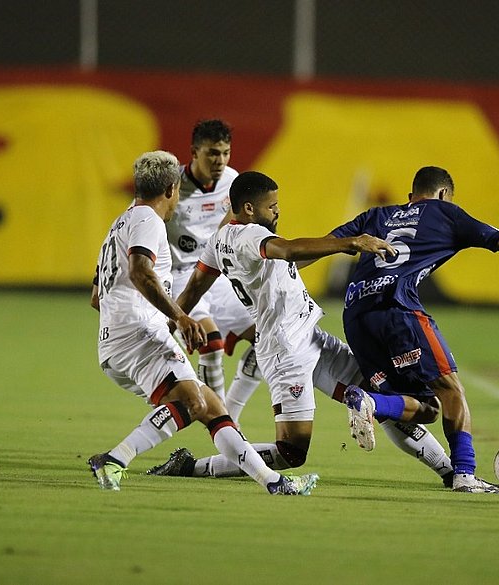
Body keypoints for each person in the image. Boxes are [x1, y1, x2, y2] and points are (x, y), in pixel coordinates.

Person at [148, 171, 457, 485]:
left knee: (379, 398)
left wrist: (168, 325)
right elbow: (289, 250)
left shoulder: (219, 240)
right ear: (249, 209)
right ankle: (192, 466)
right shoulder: (250, 235)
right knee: (291, 452)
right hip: (286, 353)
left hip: (310, 338)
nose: (278, 210)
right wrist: (350, 242)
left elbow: (195, 288)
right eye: (272, 206)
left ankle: (450, 471)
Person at [329, 166, 499, 493]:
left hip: (354, 315)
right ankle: (465, 475)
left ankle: (371, 402)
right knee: (452, 391)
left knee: (424, 408)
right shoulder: (445, 213)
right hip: (398, 309)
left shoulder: (378, 215)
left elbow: (325, 244)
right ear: (444, 195)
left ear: (412, 196)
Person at [87, 151, 317, 495]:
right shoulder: (148, 221)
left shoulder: (120, 223)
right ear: (171, 188)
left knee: (210, 406)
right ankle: (116, 458)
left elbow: (96, 297)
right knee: (194, 404)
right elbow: (139, 271)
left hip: (115, 338)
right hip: (139, 333)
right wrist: (178, 316)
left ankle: (273, 482)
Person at [166, 119, 262, 422]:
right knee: (211, 341)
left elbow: (234, 229)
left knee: (268, 338)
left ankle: (227, 415)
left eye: (225, 153)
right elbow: (139, 224)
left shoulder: (233, 182)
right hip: (182, 276)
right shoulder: (171, 187)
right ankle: (218, 424)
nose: (219, 161)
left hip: (217, 276)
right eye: (212, 153)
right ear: (194, 152)